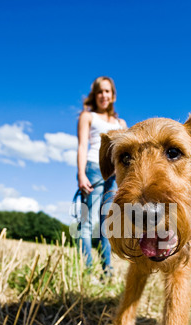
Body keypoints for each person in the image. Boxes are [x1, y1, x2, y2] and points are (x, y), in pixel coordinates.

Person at [76, 76, 127, 276]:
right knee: (88, 222)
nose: (103, 95)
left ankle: (108, 272)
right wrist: (81, 174)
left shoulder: (120, 122)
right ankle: (88, 271)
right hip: (93, 168)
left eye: (107, 91)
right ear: (94, 95)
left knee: (107, 224)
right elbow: (82, 146)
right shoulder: (87, 117)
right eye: (100, 91)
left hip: (114, 174)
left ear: (113, 95)